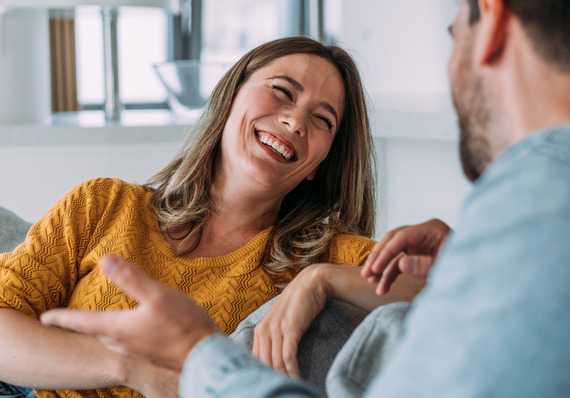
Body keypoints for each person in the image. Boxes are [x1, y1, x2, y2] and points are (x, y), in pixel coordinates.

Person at [41, 0, 570, 396]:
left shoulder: (564, 199)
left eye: (451, 32)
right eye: (280, 93)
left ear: (488, 22)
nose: (296, 123)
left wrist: (198, 355)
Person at [0, 36, 422, 398]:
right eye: (282, 91)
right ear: (231, 97)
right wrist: (129, 367)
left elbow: (451, 292)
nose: (295, 121)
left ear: (318, 164)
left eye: (322, 120)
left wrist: (321, 279)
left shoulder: (324, 256)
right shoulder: (104, 203)